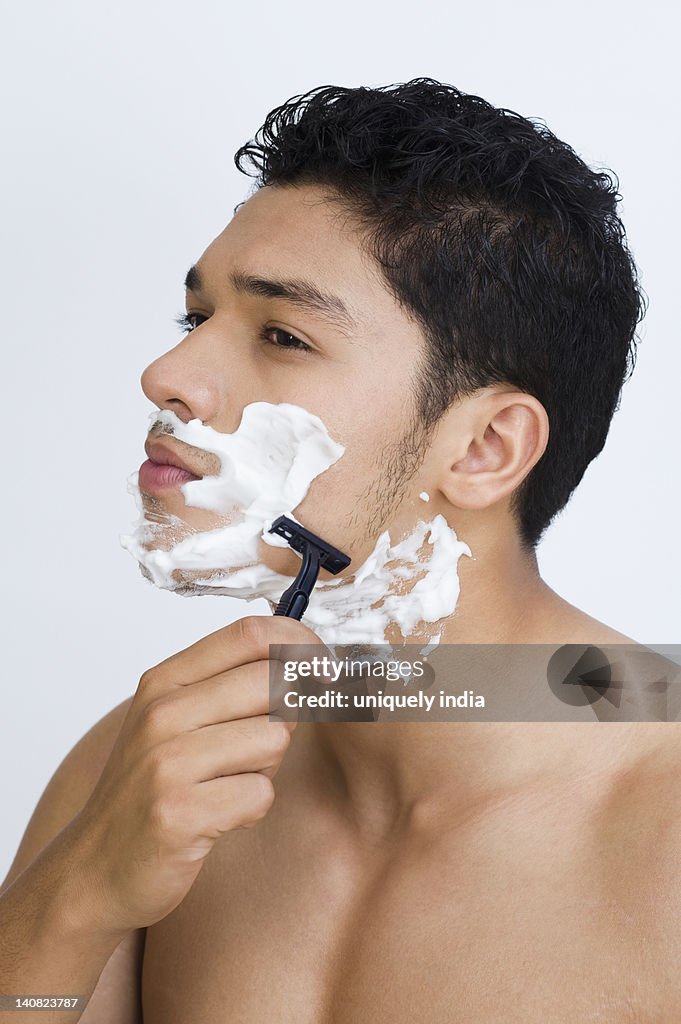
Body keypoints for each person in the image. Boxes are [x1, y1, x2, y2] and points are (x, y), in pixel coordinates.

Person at [2, 79, 678, 1022]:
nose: (166, 376)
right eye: (196, 320)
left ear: (484, 449)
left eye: (282, 333)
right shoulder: (146, 768)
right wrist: (71, 900)